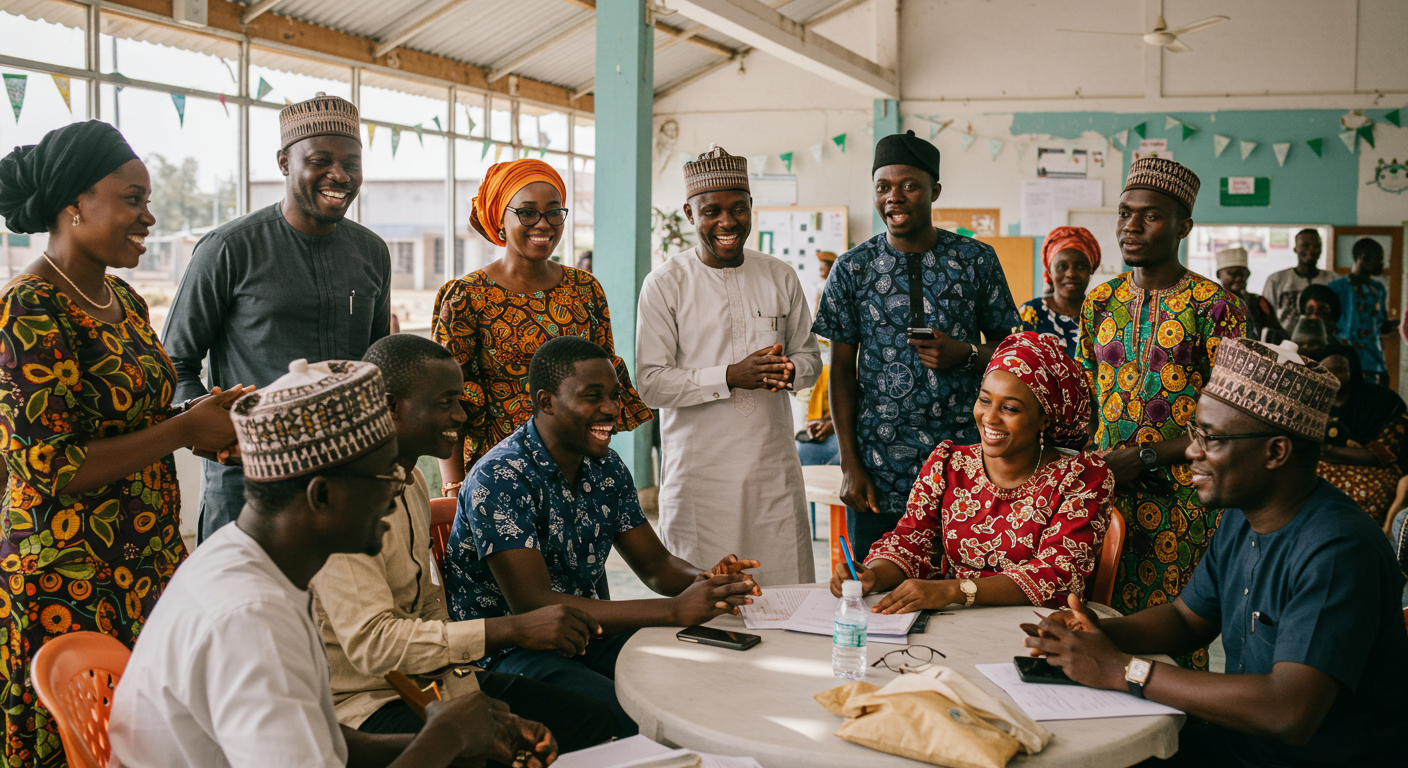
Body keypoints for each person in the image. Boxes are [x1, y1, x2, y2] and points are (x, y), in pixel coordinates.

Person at [110, 360, 556, 768]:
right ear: (321, 495)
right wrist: (444, 737)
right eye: (387, 475)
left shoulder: (254, 560)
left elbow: (324, 741)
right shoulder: (251, 618)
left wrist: (457, 741)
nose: (398, 490)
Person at [1022, 337, 1407, 767]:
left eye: (1212, 438)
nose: (1191, 451)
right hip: (1246, 744)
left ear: (1276, 451)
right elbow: (1187, 619)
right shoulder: (1245, 515)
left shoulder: (1338, 550)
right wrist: (1097, 634)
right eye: (1194, 432)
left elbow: (1288, 710)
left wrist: (1122, 669)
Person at [0, 120, 248, 768]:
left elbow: (134, 419)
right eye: (132, 199)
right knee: (78, 744)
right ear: (74, 204)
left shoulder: (124, 300)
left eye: (147, 199)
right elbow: (49, 465)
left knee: (145, 738)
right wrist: (182, 430)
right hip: (66, 574)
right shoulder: (28, 309)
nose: (149, 215)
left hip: (142, 563)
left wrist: (201, 417)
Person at [444, 336, 761, 738]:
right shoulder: (501, 477)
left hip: (588, 635)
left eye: (613, 395)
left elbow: (658, 566)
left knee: (707, 681)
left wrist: (706, 581)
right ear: (546, 402)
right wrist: (674, 611)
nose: (611, 409)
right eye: (593, 396)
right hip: (512, 651)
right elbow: (534, 605)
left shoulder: (606, 466)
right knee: (634, 716)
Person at [311, 334, 614, 750]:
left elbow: (427, 605)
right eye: (444, 402)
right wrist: (512, 630)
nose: (460, 414)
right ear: (389, 407)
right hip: (362, 705)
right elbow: (374, 644)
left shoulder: (411, 477)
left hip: (432, 679)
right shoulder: (345, 499)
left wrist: (466, 693)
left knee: (597, 722)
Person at [163, 92, 392, 543]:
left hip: (343, 479)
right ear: (285, 163)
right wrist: (223, 439)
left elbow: (374, 364)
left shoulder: (371, 252)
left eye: (352, 163)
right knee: (244, 607)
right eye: (320, 160)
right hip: (248, 487)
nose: (340, 175)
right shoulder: (229, 248)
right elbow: (176, 362)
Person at [813, 130, 1019, 558]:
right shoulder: (853, 269)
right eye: (883, 187)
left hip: (967, 464)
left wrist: (965, 354)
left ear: (934, 190)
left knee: (963, 590)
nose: (895, 198)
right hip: (878, 470)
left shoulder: (976, 260)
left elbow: (1012, 355)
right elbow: (842, 373)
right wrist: (849, 464)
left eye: (909, 186)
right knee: (877, 592)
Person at [1079, 157, 1245, 671]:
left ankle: (1178, 738)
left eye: (1149, 216)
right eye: (1125, 213)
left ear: (1183, 227)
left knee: (1175, 628)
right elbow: (1086, 402)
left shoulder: (1216, 306)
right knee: (1098, 618)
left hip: (1184, 497)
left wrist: (1146, 457)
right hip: (1106, 491)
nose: (1131, 226)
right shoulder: (1099, 303)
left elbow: (1232, 419)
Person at [636, 145, 822, 585]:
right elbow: (650, 384)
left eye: (738, 209)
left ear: (751, 208)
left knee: (784, 598)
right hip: (700, 478)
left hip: (770, 470)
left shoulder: (779, 275)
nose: (727, 222)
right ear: (689, 213)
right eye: (712, 211)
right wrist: (730, 377)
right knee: (706, 604)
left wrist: (792, 372)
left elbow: (810, 356)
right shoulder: (665, 285)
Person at [831, 332, 1113, 612]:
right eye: (985, 400)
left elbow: (1057, 576)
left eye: (1010, 408)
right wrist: (873, 574)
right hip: (956, 625)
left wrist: (955, 590)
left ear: (1045, 418)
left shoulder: (1081, 479)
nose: (989, 418)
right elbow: (912, 542)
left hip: (1038, 631)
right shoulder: (948, 464)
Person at [433, 159, 649, 494]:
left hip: (577, 470)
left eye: (553, 212)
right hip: (496, 475)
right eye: (528, 212)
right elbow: (447, 396)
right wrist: (453, 484)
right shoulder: (467, 296)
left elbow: (604, 382)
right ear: (500, 219)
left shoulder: (584, 290)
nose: (543, 224)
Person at [1302, 343, 1408, 524]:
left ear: (1353, 370)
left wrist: (1327, 451)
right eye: (1325, 370)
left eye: (1339, 369)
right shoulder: (1311, 401)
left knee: (1369, 494)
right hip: (1321, 466)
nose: (1332, 376)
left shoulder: (1382, 402)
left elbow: (1382, 454)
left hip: (1377, 472)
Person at [1017, 226, 1101, 358]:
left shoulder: (1103, 316)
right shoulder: (1031, 313)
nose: (1071, 274)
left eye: (1080, 267)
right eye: (1061, 267)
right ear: (1049, 272)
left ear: (1091, 270)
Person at [1328, 238, 1398, 386]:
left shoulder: (1378, 289)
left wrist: (1394, 325)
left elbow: (1379, 324)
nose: (1382, 264)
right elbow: (1329, 325)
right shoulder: (1336, 288)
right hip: (1344, 358)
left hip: (1373, 361)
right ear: (1363, 258)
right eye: (1378, 260)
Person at [796, 250, 839, 466]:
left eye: (825, 266)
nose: (821, 271)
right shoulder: (816, 288)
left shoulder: (839, 288)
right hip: (820, 345)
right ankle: (814, 423)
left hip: (834, 347)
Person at [1262, 229, 1333, 331]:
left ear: (1321, 250)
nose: (1311, 250)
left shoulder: (1333, 280)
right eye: (1305, 245)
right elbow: (1266, 315)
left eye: (1316, 246)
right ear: (1296, 249)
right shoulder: (1276, 280)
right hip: (1285, 343)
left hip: (1323, 342)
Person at [1214, 247, 1284, 343]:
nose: (1239, 279)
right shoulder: (1210, 302)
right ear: (1219, 275)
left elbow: (1279, 333)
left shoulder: (1258, 302)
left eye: (1243, 274)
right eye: (1232, 274)